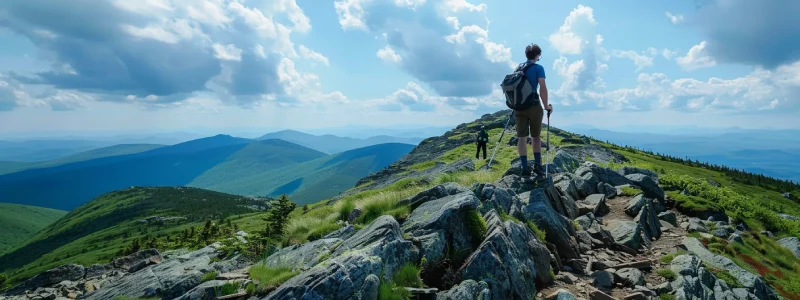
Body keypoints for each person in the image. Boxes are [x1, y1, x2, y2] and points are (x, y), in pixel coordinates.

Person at [514, 44, 553, 178]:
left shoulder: (518, 68)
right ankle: (538, 166)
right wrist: (546, 105)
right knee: (535, 137)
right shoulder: (538, 68)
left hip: (518, 107)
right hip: (533, 106)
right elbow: (542, 88)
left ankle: (524, 167)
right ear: (538, 55)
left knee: (522, 138)